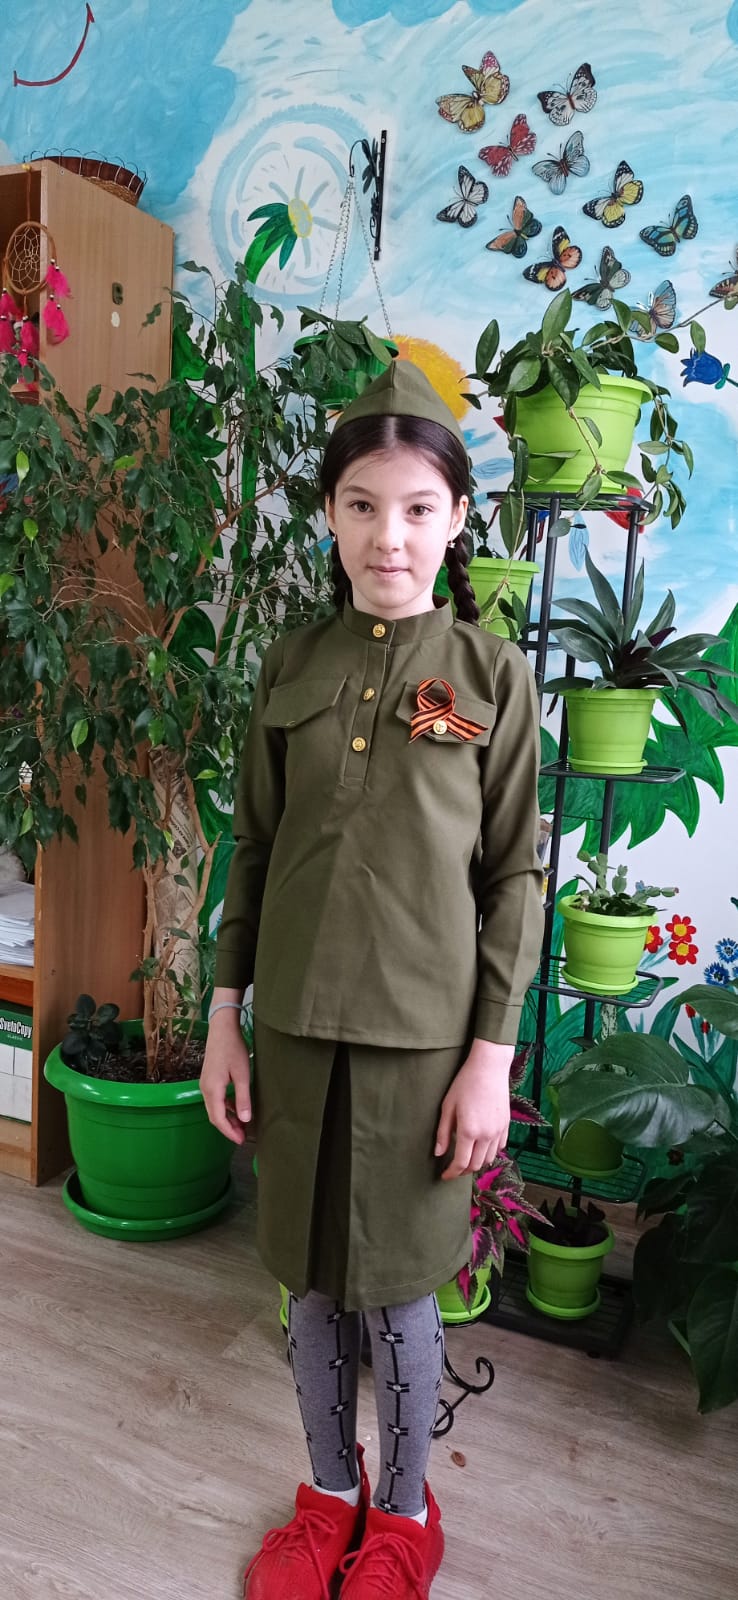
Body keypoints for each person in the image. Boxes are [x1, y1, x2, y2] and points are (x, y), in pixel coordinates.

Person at [200, 359, 544, 1599]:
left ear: (455, 518)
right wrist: (225, 1016)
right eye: (360, 504)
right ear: (330, 514)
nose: (386, 535)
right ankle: (328, 1495)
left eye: (414, 507)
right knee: (305, 1278)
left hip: (423, 1044)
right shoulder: (291, 663)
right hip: (293, 1027)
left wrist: (491, 1059)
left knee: (397, 1291)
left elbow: (514, 876)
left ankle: (403, 1514)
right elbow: (251, 847)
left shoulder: (488, 680)